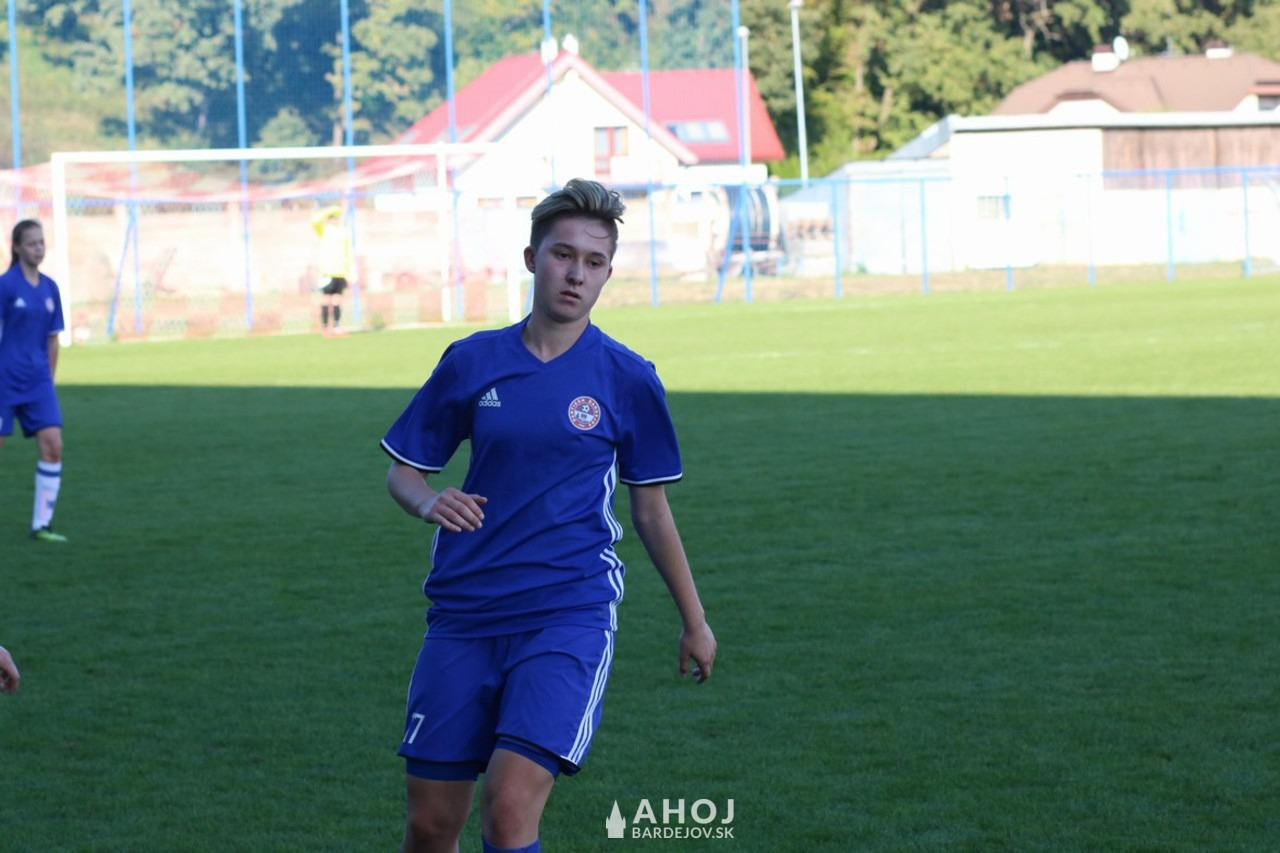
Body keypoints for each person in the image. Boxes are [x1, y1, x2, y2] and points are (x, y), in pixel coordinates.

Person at [381, 178, 717, 853]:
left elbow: (651, 510)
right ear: (533, 258)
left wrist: (695, 619)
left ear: (608, 274)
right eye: (563, 255)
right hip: (466, 612)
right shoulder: (473, 360)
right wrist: (427, 500)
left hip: (567, 612)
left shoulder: (628, 377)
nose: (576, 274)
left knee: (508, 810)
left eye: (594, 262)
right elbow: (404, 470)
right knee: (430, 825)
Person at [1, 219, 68, 543]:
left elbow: (52, 340)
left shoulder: (50, 288)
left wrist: (48, 383)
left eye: (41, 242)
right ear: (16, 247)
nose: (38, 248)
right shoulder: (5, 286)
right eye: (31, 243)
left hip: (38, 384)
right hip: (3, 383)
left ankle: (42, 525)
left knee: (53, 445)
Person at [311, 204, 353, 336]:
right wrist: (329, 211)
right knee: (326, 297)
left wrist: (351, 270)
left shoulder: (343, 232)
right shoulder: (323, 230)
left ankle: (336, 326)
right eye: (331, 217)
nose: (334, 219)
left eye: (335, 217)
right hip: (326, 272)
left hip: (340, 272)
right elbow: (314, 220)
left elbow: (348, 252)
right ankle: (325, 327)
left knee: (337, 299)